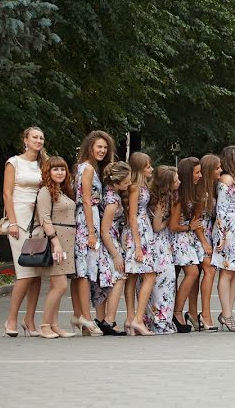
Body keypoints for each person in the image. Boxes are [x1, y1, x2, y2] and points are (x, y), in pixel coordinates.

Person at [2, 127, 47, 337]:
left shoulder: (42, 165)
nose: (38, 140)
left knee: (36, 272)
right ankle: (11, 318)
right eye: (35, 137)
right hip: (19, 220)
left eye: (41, 138)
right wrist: (11, 221)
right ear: (25, 140)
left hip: (38, 221)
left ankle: (29, 320)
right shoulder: (14, 162)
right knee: (25, 273)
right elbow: (7, 193)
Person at [72, 130, 114, 337]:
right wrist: (90, 231)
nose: (102, 150)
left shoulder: (90, 168)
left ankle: (83, 316)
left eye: (105, 148)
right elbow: (87, 199)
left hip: (91, 218)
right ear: (90, 147)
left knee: (89, 268)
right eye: (99, 147)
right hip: (87, 219)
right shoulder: (87, 168)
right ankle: (86, 317)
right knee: (85, 269)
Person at [33, 156, 78, 338]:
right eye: (55, 169)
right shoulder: (45, 191)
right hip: (57, 240)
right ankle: (44, 325)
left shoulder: (63, 191)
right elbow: (45, 218)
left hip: (68, 240)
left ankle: (54, 325)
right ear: (48, 172)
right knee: (60, 286)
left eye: (62, 169)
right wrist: (56, 243)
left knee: (58, 285)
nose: (59, 172)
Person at [211, 146, 235, 332]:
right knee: (227, 272)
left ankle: (226, 313)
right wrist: (222, 235)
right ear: (232, 160)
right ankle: (227, 315)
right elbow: (221, 209)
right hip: (230, 232)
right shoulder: (226, 179)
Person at [122, 152, 158, 336]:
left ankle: (130, 318)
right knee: (150, 275)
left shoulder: (142, 186)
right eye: (147, 166)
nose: (151, 169)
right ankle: (137, 318)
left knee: (133, 276)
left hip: (144, 230)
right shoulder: (135, 187)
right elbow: (132, 217)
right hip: (139, 233)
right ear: (139, 169)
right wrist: (137, 245)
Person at [95, 161, 131, 336]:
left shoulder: (108, 193)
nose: (129, 184)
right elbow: (104, 230)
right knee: (119, 277)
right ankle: (109, 320)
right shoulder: (112, 201)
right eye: (126, 182)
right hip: (109, 241)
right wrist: (116, 255)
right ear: (116, 182)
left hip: (110, 239)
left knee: (106, 280)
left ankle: (102, 319)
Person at [169, 157, 203, 332]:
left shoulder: (193, 193)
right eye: (197, 172)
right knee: (192, 272)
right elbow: (173, 225)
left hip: (186, 237)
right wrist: (189, 226)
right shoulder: (179, 197)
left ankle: (175, 311)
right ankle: (176, 312)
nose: (200, 175)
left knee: (181, 276)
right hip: (177, 237)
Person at [192, 154, 222, 332]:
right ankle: (205, 314)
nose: (220, 170)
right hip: (199, 234)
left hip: (209, 232)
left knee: (204, 272)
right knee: (209, 269)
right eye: (217, 168)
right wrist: (204, 242)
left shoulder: (214, 188)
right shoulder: (202, 193)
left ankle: (195, 313)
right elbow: (195, 220)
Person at [146, 165, 178, 335]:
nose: (178, 182)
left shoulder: (163, 197)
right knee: (164, 282)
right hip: (158, 244)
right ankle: (160, 321)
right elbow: (157, 226)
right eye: (175, 180)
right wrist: (170, 221)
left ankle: (156, 319)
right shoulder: (160, 201)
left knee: (161, 282)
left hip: (159, 243)